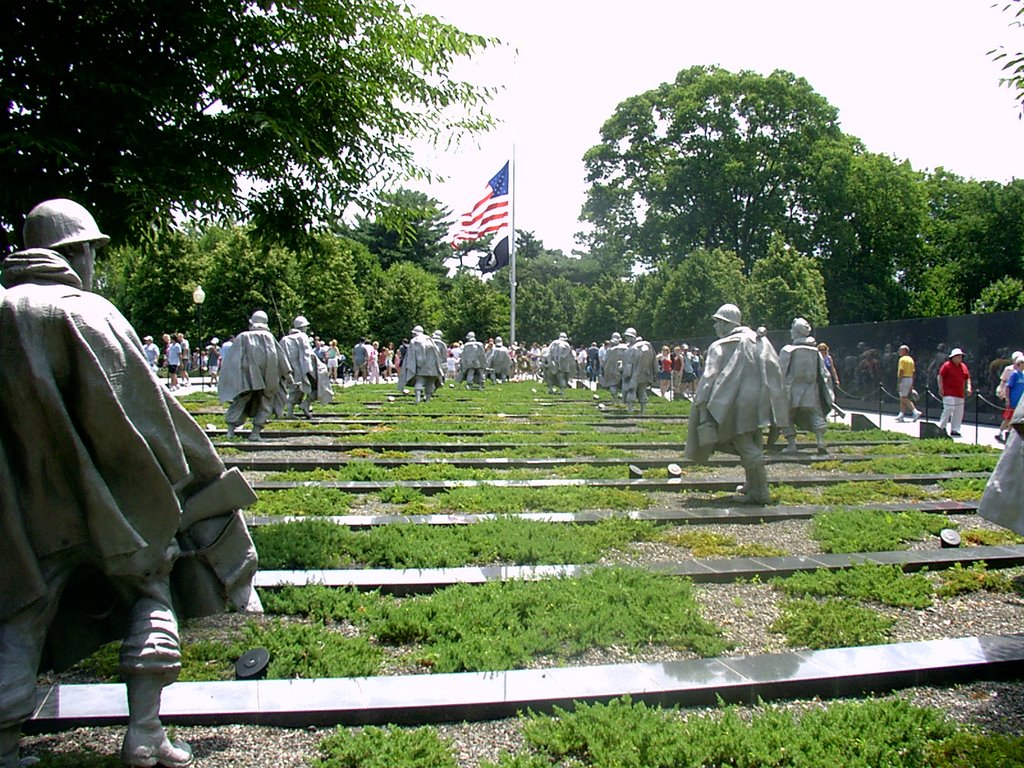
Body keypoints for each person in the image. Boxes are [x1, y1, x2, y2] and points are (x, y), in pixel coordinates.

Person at [0, 199, 261, 768]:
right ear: (77, 252)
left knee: (18, 614)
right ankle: (145, 733)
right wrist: (191, 482)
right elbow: (148, 415)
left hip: (23, 506)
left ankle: (5, 744)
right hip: (112, 502)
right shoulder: (88, 312)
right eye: (92, 250)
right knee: (150, 592)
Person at [684, 303, 787, 505]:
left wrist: (702, 402)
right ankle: (752, 484)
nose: (715, 327)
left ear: (725, 324)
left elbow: (709, 376)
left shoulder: (720, 345)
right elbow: (774, 367)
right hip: (759, 398)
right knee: (753, 437)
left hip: (733, 401)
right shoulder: (759, 340)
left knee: (743, 443)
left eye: (717, 323)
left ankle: (761, 491)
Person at [218, 310, 292, 440]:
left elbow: (232, 360)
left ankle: (230, 431)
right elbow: (281, 358)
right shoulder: (269, 337)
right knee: (266, 403)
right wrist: (288, 375)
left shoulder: (242, 337)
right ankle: (255, 432)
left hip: (247, 377)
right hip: (268, 376)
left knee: (240, 401)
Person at [771, 317, 833, 456]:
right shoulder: (815, 352)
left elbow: (780, 371)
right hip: (811, 389)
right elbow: (824, 373)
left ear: (796, 331)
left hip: (791, 389)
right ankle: (820, 441)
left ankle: (792, 444)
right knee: (815, 415)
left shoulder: (788, 350)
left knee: (786, 416)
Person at [403, 325, 445, 403]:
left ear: (415, 333)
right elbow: (437, 353)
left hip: (421, 366)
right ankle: (427, 400)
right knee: (430, 383)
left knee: (420, 382)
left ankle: (417, 399)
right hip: (433, 366)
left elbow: (412, 356)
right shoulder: (429, 339)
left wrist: (414, 366)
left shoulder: (414, 340)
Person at [936, 347, 972, 437]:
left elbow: (967, 378)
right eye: (958, 356)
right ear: (953, 357)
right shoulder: (947, 365)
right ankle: (942, 427)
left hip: (960, 393)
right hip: (948, 392)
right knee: (949, 408)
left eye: (961, 356)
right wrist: (940, 388)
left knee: (959, 412)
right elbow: (940, 376)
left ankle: (955, 429)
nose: (960, 358)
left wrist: (969, 387)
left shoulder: (963, 366)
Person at [621, 327, 656, 413]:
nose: (627, 338)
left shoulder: (642, 346)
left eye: (628, 336)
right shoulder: (632, 347)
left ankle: (633, 409)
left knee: (635, 390)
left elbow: (646, 360)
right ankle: (637, 409)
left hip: (637, 372)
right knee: (638, 390)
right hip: (637, 372)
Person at [996, 351, 1024, 443]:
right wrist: (1007, 398)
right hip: (1013, 400)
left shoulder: (1022, 375)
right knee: (1008, 418)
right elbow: (1007, 386)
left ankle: (1009, 435)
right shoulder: (1014, 373)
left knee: (1015, 419)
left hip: (1019, 402)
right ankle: (1000, 432)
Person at [894, 344, 921, 422]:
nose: (899, 351)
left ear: (905, 351)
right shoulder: (911, 359)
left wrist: (899, 382)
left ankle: (915, 411)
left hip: (904, 379)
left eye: (900, 350)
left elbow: (901, 371)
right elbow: (913, 372)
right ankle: (901, 414)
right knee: (903, 397)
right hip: (909, 379)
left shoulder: (902, 359)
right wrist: (912, 383)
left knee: (903, 398)